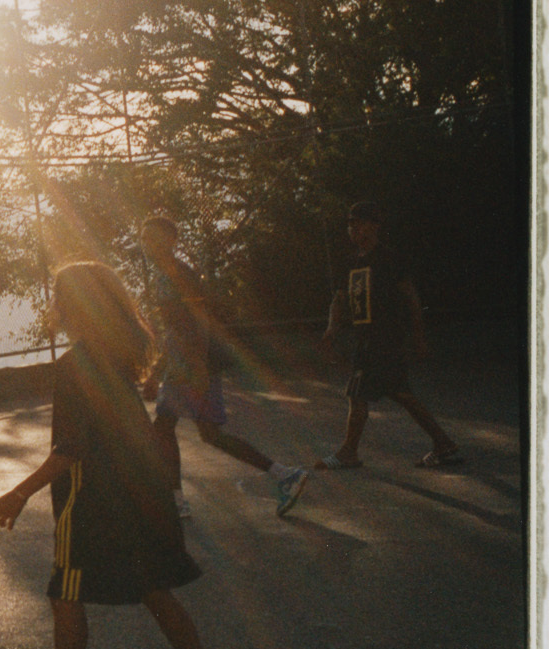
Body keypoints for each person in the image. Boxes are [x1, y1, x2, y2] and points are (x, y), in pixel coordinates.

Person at [0, 261, 236, 649]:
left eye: (60, 296)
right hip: (142, 486)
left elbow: (71, 449)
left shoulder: (77, 363)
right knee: (152, 586)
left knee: (66, 591)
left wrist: (19, 492)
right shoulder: (118, 353)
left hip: (98, 497)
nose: (54, 305)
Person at [137, 216, 308, 518]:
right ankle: (281, 474)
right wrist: (157, 369)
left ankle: (179, 501)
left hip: (191, 366)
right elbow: (173, 329)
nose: (146, 244)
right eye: (144, 238)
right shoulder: (164, 275)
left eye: (152, 237)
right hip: (182, 365)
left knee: (182, 430)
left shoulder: (180, 273)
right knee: (187, 431)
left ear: (171, 240)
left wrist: (200, 364)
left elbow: (200, 319)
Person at [314, 201, 461, 470]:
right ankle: (443, 443)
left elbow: (411, 297)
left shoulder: (389, 259)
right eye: (350, 224)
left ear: (375, 226)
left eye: (358, 223)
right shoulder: (349, 263)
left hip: (385, 339)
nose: (353, 229)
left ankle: (348, 452)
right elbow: (339, 300)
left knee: (358, 394)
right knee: (400, 392)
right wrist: (331, 330)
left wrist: (418, 336)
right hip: (365, 339)